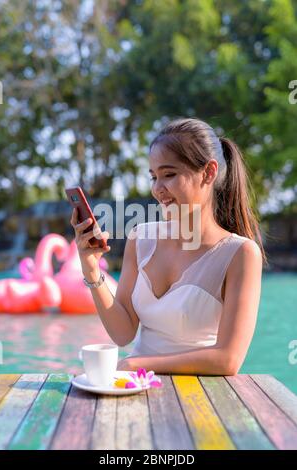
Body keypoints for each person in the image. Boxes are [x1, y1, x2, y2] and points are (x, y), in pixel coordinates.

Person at [70, 117, 265, 375]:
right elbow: (122, 332)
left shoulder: (240, 254)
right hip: (136, 388)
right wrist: (92, 270)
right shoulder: (140, 239)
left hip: (202, 397)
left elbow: (227, 360)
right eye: (153, 177)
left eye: (169, 175)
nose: (157, 189)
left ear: (208, 172)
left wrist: (137, 364)